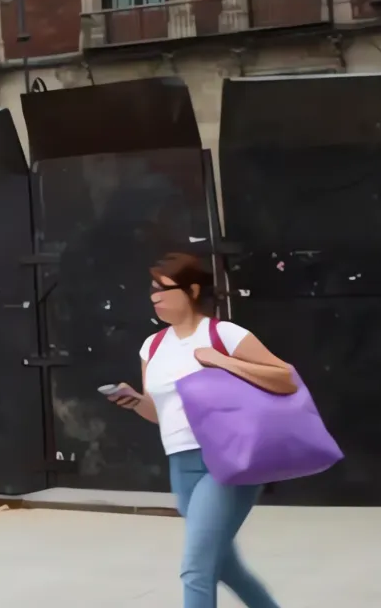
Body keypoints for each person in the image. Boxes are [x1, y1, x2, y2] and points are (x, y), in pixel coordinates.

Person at [105, 252, 292, 608]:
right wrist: (134, 401)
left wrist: (222, 360)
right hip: (181, 463)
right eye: (151, 288)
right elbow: (161, 413)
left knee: (196, 568)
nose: (154, 296)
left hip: (228, 460)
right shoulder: (153, 346)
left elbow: (285, 378)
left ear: (191, 290)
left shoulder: (224, 334)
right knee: (224, 565)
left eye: (163, 288)